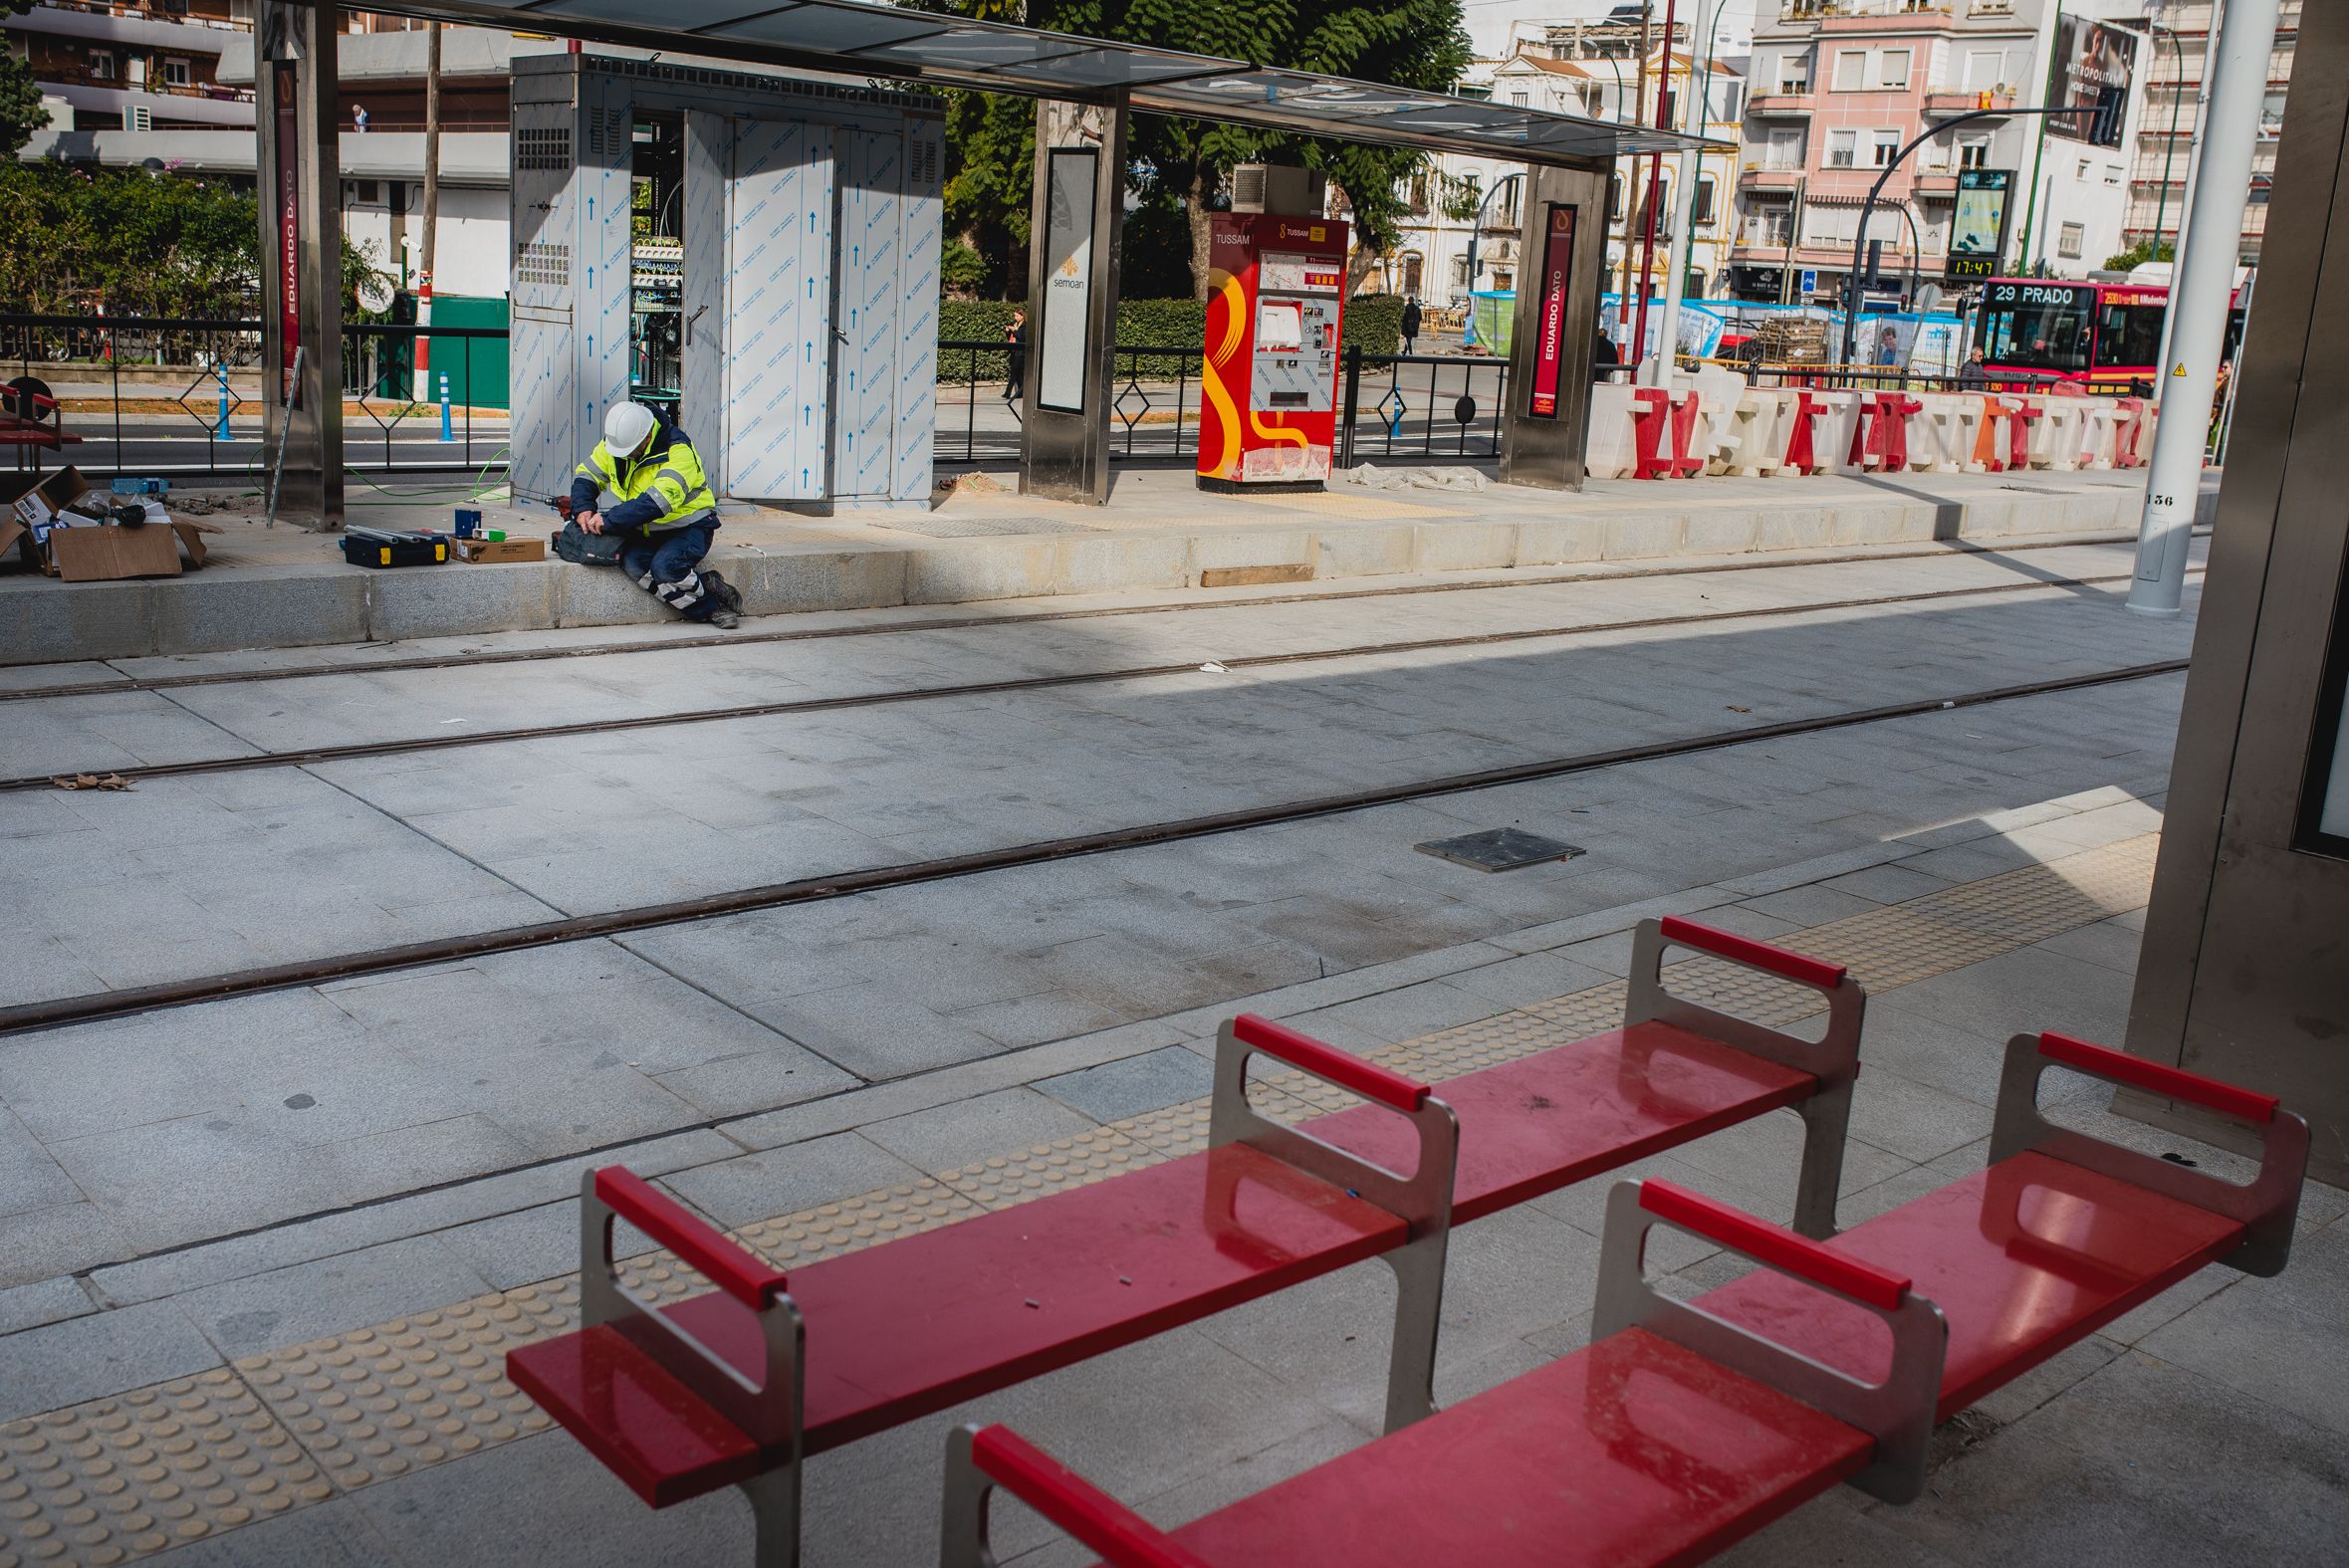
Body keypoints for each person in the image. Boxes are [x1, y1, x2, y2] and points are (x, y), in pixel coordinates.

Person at [571, 401, 742, 629]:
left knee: (665, 568)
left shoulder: (678, 451)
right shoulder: (617, 444)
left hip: (690, 525)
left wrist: (608, 520)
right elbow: (588, 474)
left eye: (631, 451)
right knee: (634, 565)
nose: (626, 456)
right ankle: (706, 583)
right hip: (648, 527)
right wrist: (583, 507)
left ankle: (712, 608)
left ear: (648, 437)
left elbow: (658, 501)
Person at [1003, 309, 1027, 402]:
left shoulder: (1025, 326)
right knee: (1018, 373)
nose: (1015, 317)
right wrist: (1008, 331)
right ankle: (1021, 392)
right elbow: (1011, 338)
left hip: (1020, 352)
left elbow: (1022, 338)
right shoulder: (1016, 324)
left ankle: (1007, 393)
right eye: (1015, 315)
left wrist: (1014, 331)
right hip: (1014, 351)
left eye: (1017, 316)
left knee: (1014, 372)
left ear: (1022, 316)